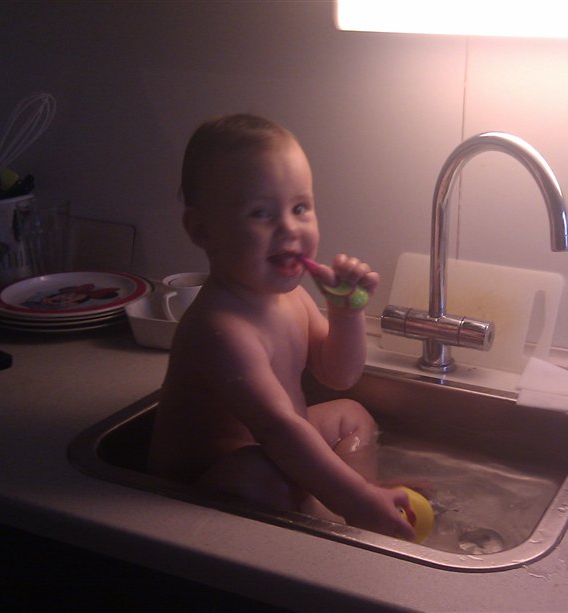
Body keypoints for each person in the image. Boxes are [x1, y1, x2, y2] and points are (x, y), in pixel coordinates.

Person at [148, 114, 415, 540]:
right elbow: (278, 428)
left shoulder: (291, 298)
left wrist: (345, 313)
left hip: (280, 449)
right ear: (202, 230)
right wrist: (355, 500)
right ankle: (343, 512)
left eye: (300, 208)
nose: (289, 227)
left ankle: (359, 500)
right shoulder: (220, 327)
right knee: (258, 470)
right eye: (261, 213)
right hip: (203, 485)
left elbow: (339, 375)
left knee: (352, 416)